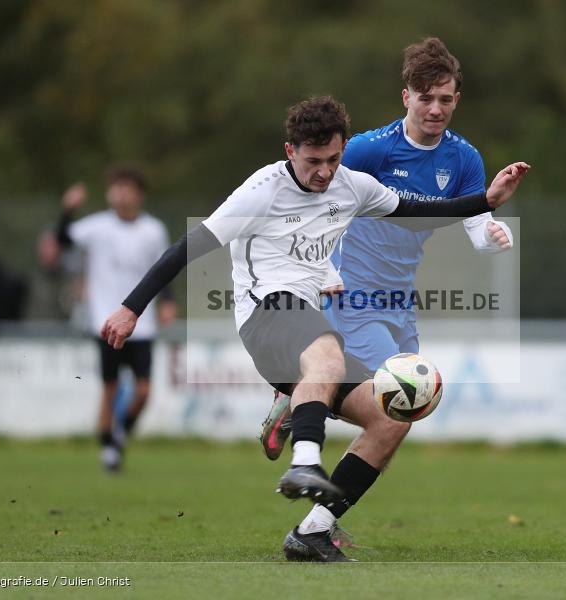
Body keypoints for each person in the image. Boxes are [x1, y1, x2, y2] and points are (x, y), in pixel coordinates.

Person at [100, 96, 530, 561]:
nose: (324, 172)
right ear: (290, 151)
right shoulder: (262, 190)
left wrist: (484, 201)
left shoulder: (353, 185)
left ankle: (312, 531)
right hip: (264, 312)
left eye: (333, 158)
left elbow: (413, 214)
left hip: (305, 317)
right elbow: (191, 244)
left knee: (391, 415)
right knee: (326, 350)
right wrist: (131, 307)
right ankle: (304, 461)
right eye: (313, 161)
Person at [259, 37, 514, 461]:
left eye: (445, 99)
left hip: (399, 297)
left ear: (457, 100)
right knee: (396, 402)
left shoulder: (464, 158)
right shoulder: (369, 149)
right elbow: (314, 205)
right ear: (406, 97)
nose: (436, 108)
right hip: (351, 291)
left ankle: (300, 397)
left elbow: (477, 228)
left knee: (405, 407)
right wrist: (319, 270)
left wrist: (494, 235)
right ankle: (320, 502)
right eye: (426, 97)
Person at [56, 167, 177, 472]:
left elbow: (165, 266)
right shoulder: (97, 227)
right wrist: (68, 209)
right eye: (116, 188)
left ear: (139, 194)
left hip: (143, 322)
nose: (121, 194)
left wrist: (169, 302)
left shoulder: (153, 230)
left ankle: (120, 430)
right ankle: (109, 448)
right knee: (109, 388)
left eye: (127, 188)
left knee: (144, 390)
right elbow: (63, 240)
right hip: (106, 320)